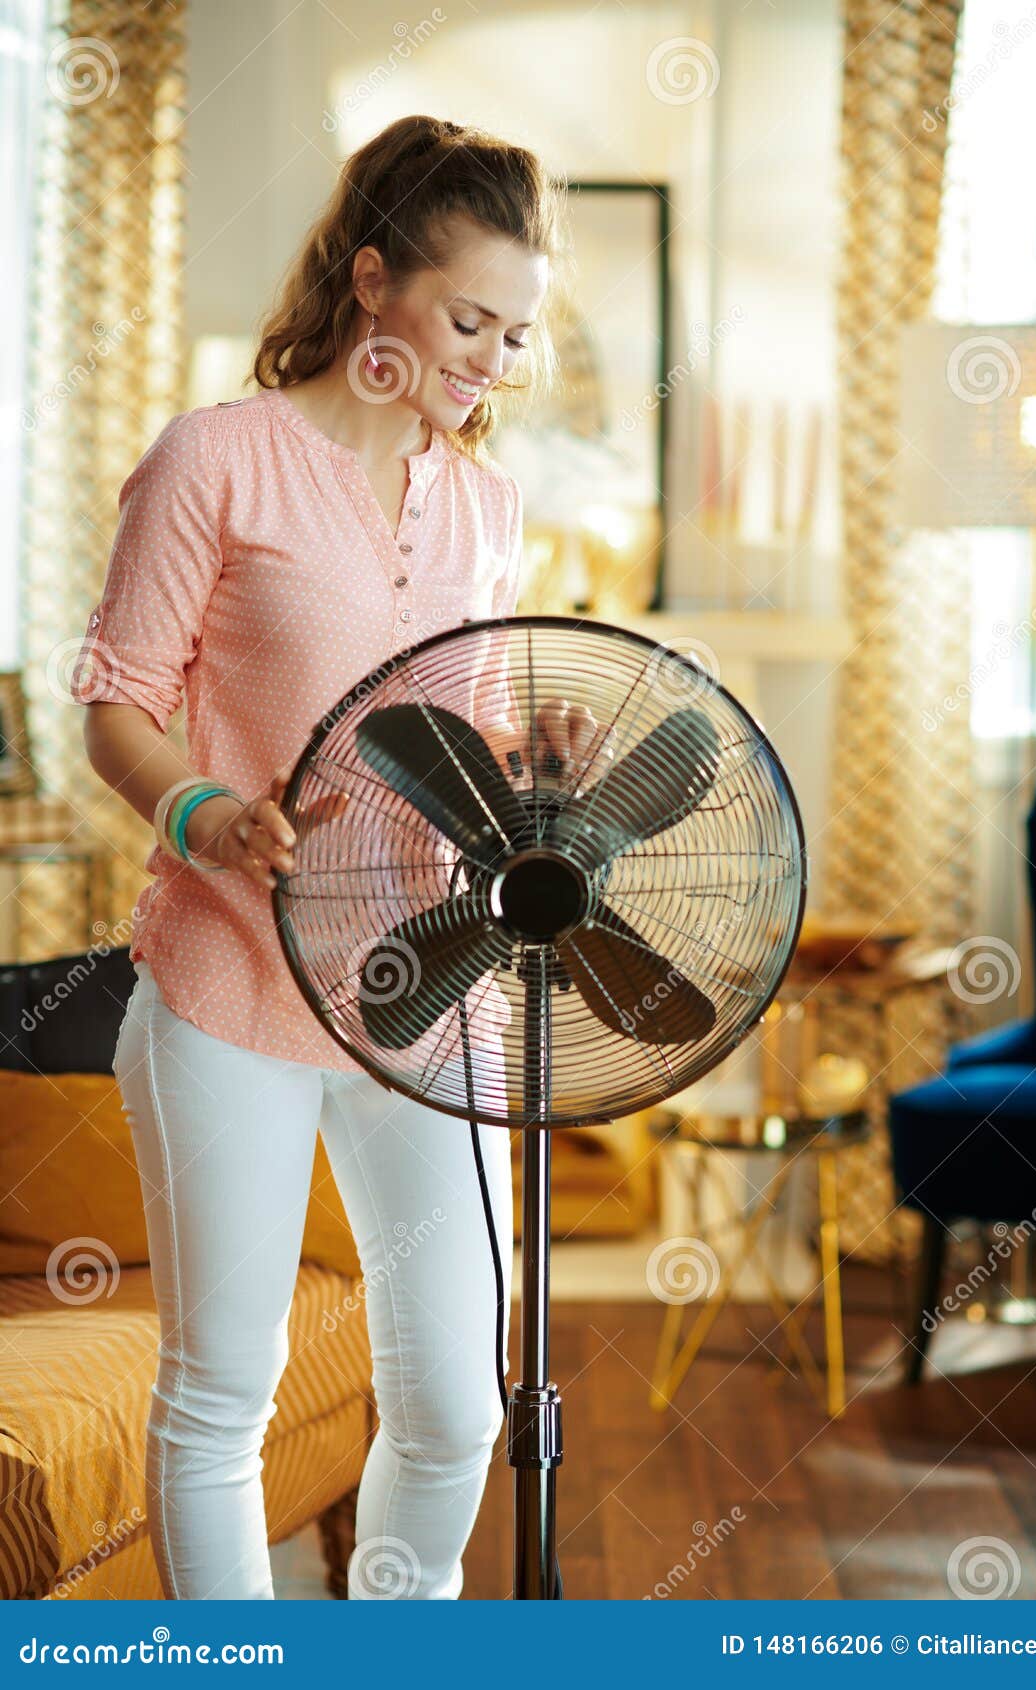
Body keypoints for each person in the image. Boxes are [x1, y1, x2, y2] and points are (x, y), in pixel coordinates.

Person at [70, 114, 608, 1601]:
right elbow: (118, 706)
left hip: (430, 993)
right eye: (468, 317)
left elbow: (470, 744)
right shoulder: (215, 461)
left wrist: (536, 765)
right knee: (220, 1391)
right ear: (374, 284)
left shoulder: (487, 509)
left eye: (516, 332)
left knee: (453, 1400)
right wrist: (207, 817)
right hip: (227, 984)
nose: (494, 359)